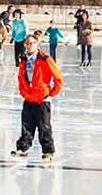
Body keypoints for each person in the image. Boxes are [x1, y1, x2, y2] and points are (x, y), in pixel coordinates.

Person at [10, 33, 63, 166]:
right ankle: (22, 148)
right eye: (26, 44)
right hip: (28, 98)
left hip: (42, 99)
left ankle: (48, 151)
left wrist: (51, 93)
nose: (29, 46)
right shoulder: (23, 60)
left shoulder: (45, 59)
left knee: (44, 127)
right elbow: (21, 78)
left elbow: (58, 78)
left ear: (37, 44)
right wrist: (23, 92)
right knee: (26, 126)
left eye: (32, 43)